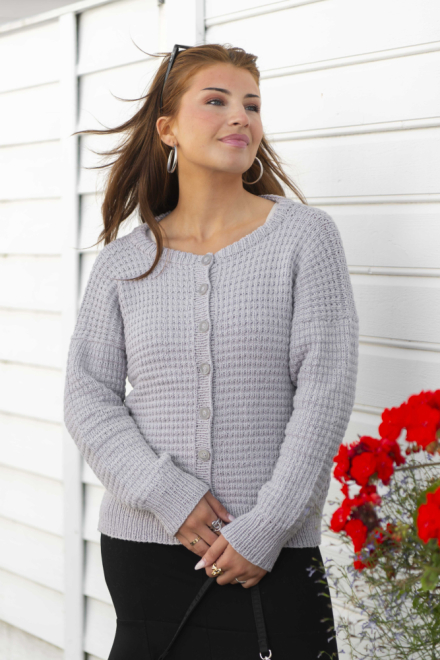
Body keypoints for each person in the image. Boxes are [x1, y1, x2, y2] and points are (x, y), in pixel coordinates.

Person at [64, 43, 359, 659]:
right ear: (167, 129)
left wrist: (267, 526)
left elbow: (325, 392)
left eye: (252, 105)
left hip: (271, 550)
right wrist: (166, 495)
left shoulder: (305, 239)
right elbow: (87, 398)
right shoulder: (124, 262)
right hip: (145, 550)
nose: (241, 117)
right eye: (217, 101)